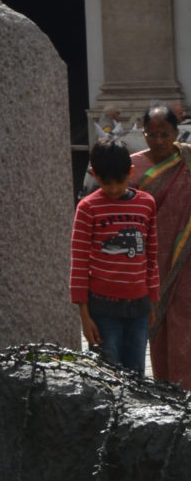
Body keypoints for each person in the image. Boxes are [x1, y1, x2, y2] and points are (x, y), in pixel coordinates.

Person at [70, 138, 160, 377]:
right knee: (108, 378)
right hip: (102, 312)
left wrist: (151, 302)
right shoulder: (87, 209)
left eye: (119, 181)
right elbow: (79, 263)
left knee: (136, 377)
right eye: (105, 182)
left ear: (131, 173)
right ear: (94, 174)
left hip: (139, 309)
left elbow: (151, 256)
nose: (113, 189)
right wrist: (84, 316)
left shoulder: (147, 204)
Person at [128, 104, 191, 389]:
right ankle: (167, 389)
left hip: (187, 259)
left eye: (164, 134)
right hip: (151, 262)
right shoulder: (133, 166)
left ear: (176, 133)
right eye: (151, 134)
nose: (158, 140)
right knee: (160, 321)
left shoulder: (187, 159)